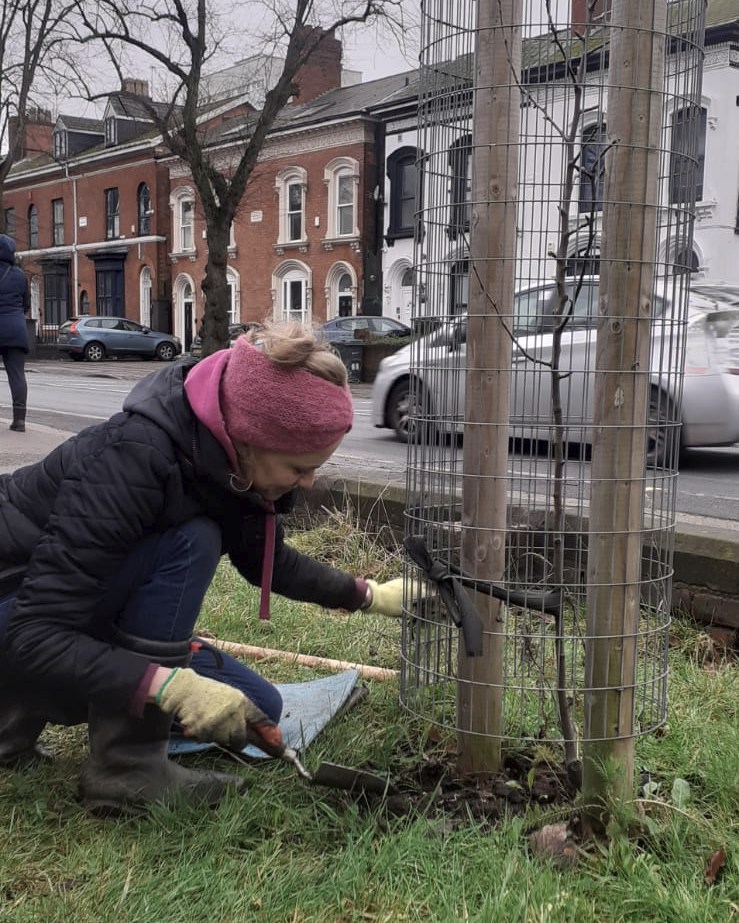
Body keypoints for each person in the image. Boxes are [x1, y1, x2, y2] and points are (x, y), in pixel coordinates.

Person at [0, 320, 407, 815]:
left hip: (55, 612)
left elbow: (267, 562)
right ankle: (126, 767)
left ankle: (15, 720)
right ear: (250, 438)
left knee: (258, 708)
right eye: (299, 468)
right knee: (194, 539)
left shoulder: (222, 460)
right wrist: (168, 685)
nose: (308, 482)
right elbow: (34, 636)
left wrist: (369, 595)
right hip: (17, 622)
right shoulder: (132, 459)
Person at [0, 234, 30, 432]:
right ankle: (19, 420)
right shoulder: (20, 275)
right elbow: (26, 304)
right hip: (16, 330)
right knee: (17, 375)